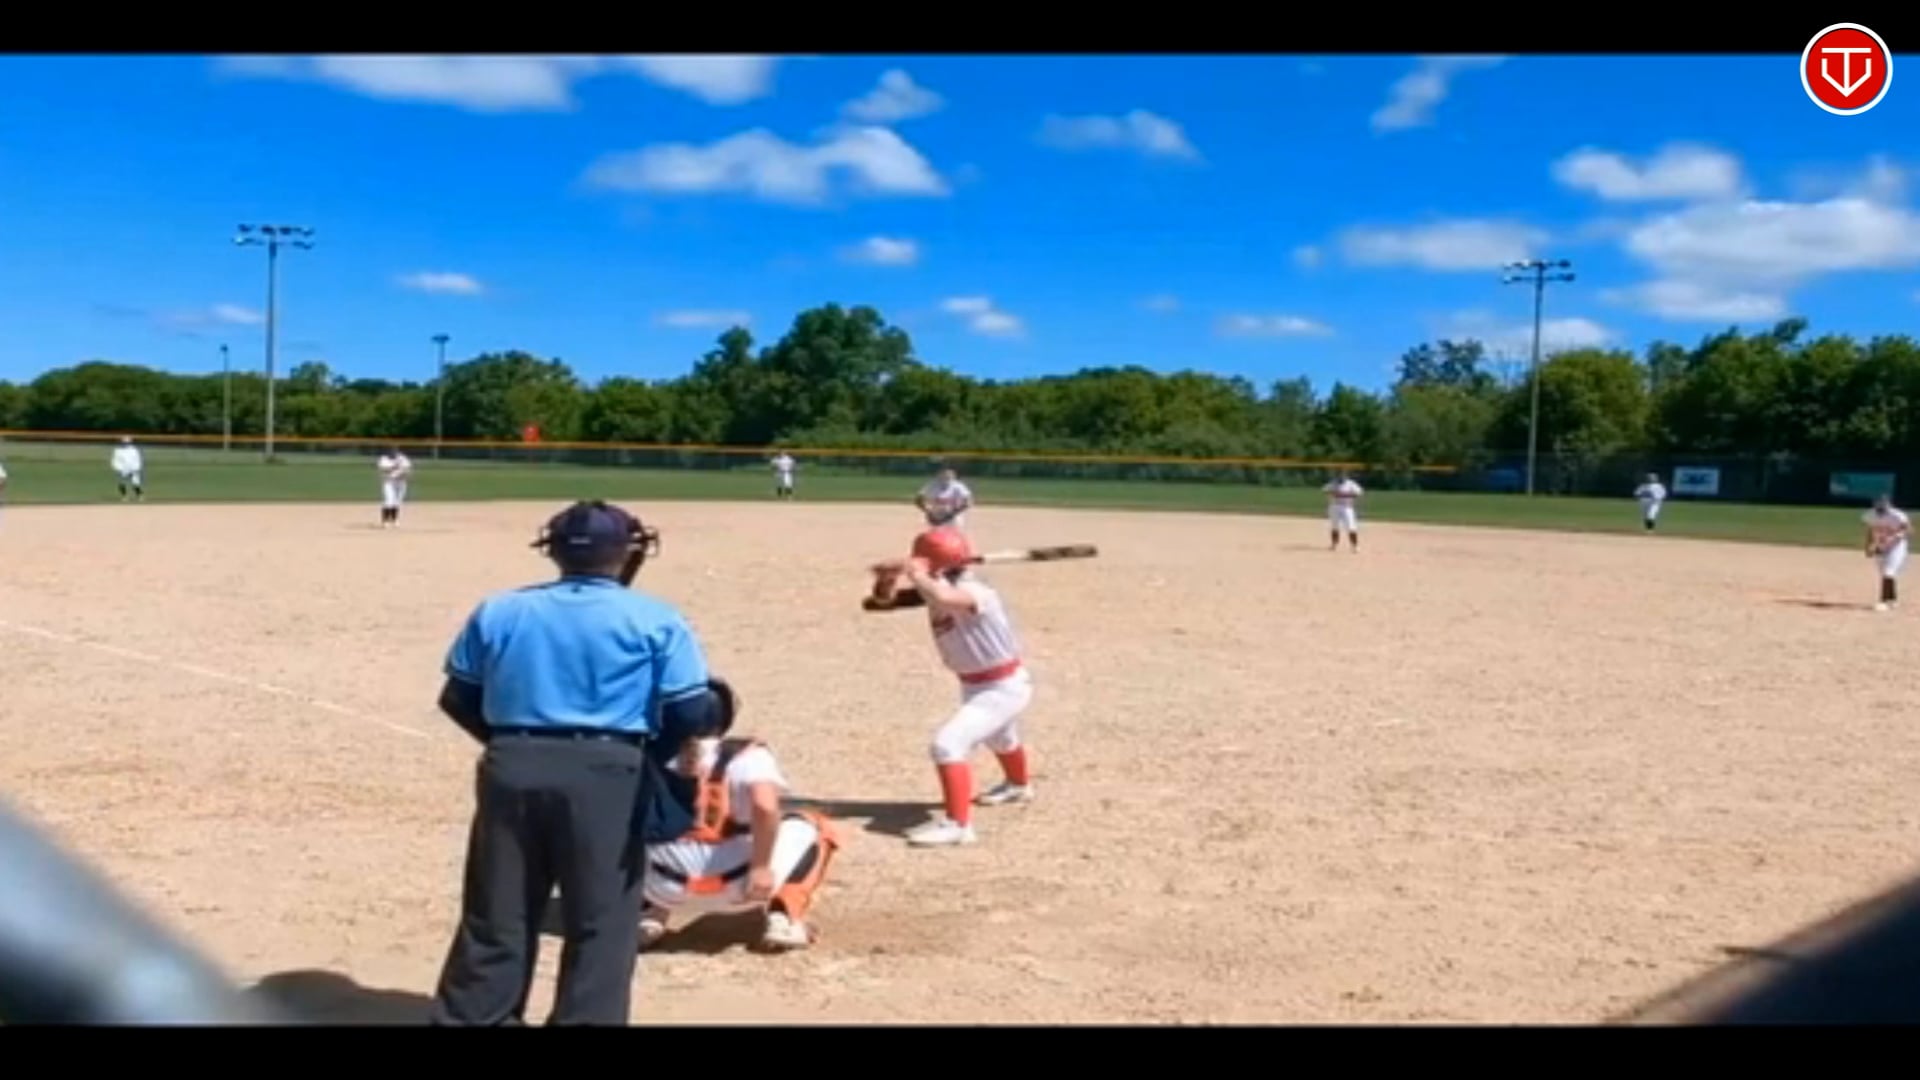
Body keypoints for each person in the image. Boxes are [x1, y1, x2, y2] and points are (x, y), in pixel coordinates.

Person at [427, 499, 716, 1026]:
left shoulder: (500, 610)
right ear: (625, 552)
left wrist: (511, 742)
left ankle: (475, 1017)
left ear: (553, 550)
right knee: (601, 916)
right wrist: (648, 754)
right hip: (608, 767)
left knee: (498, 908)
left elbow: (457, 697)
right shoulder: (654, 617)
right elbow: (692, 710)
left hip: (512, 762)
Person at [637, 677, 840, 952]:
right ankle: (784, 918)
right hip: (738, 889)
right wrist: (761, 867)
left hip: (662, 887)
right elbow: (765, 807)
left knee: (641, 825)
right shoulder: (747, 756)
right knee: (813, 825)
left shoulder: (648, 752)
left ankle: (647, 915)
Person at [871, 526, 1034, 848]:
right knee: (1001, 738)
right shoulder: (935, 586)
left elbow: (944, 598)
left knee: (947, 745)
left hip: (1003, 686)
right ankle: (1018, 786)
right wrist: (887, 579)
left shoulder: (976, 592)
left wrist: (916, 572)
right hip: (976, 685)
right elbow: (879, 603)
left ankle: (958, 826)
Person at [1863, 494, 1910, 612]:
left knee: (1888, 572)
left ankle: (1883, 601)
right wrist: (1868, 546)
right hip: (1882, 546)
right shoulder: (1870, 515)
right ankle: (1892, 600)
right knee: (1886, 574)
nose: (1880, 507)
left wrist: (1895, 537)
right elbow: (1870, 531)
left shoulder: (1897, 515)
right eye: (1878, 504)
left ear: (1888, 504)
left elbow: (1908, 529)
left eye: (1883, 504)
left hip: (1897, 547)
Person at [915, 466, 973, 531]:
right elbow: (918, 499)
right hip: (936, 518)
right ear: (939, 475)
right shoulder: (932, 485)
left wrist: (952, 514)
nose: (946, 477)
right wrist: (928, 512)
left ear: (954, 476)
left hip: (953, 519)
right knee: (936, 536)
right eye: (944, 474)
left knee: (952, 536)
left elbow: (968, 502)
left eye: (949, 475)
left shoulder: (958, 486)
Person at [1322, 470, 1362, 552]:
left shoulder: (1351, 484)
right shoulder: (1333, 483)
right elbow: (1324, 490)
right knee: (1334, 526)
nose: (1341, 477)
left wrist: (1345, 495)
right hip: (1334, 506)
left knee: (1351, 527)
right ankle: (1334, 544)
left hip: (1347, 507)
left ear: (1346, 476)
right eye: (1339, 475)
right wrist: (1332, 492)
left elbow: (1358, 493)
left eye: (1343, 475)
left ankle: (1355, 546)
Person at [376, 446, 411, 528]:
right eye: (391, 451)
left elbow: (407, 470)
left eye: (395, 451)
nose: (393, 453)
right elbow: (385, 469)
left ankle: (394, 520)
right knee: (388, 501)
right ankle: (385, 521)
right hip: (389, 483)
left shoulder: (403, 458)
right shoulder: (384, 459)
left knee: (397, 502)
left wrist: (405, 473)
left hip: (401, 483)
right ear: (387, 452)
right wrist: (396, 466)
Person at [110, 437, 144, 502]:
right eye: (124, 442)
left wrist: (137, 468)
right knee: (121, 483)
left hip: (133, 468)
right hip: (123, 469)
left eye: (127, 442)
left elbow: (137, 459)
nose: (126, 444)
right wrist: (117, 468)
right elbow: (115, 460)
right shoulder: (118, 450)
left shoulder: (134, 450)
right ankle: (124, 496)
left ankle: (139, 495)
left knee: (135, 483)